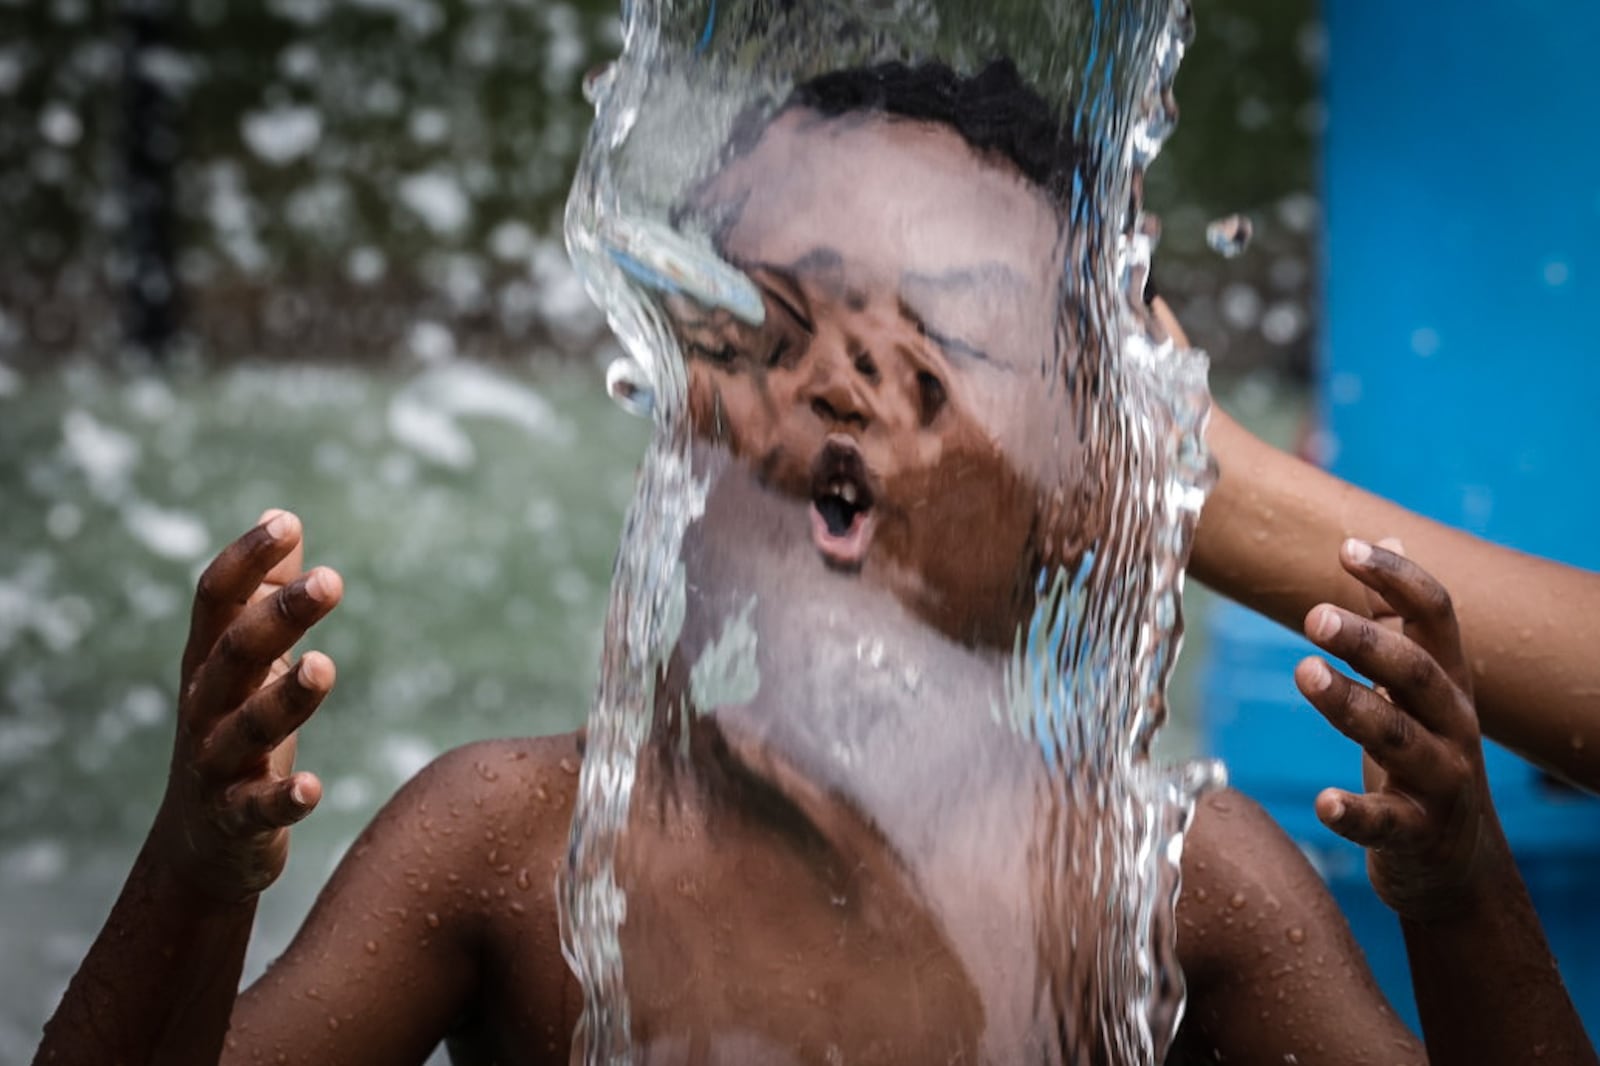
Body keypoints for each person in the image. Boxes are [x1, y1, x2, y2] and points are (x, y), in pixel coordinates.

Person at [33, 61, 1586, 1065]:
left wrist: (1458, 893)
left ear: (1088, 491)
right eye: (772, 325)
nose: (844, 381)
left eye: (945, 346)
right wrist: (194, 872)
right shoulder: (516, 846)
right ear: (678, 415)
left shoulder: (1172, 885)